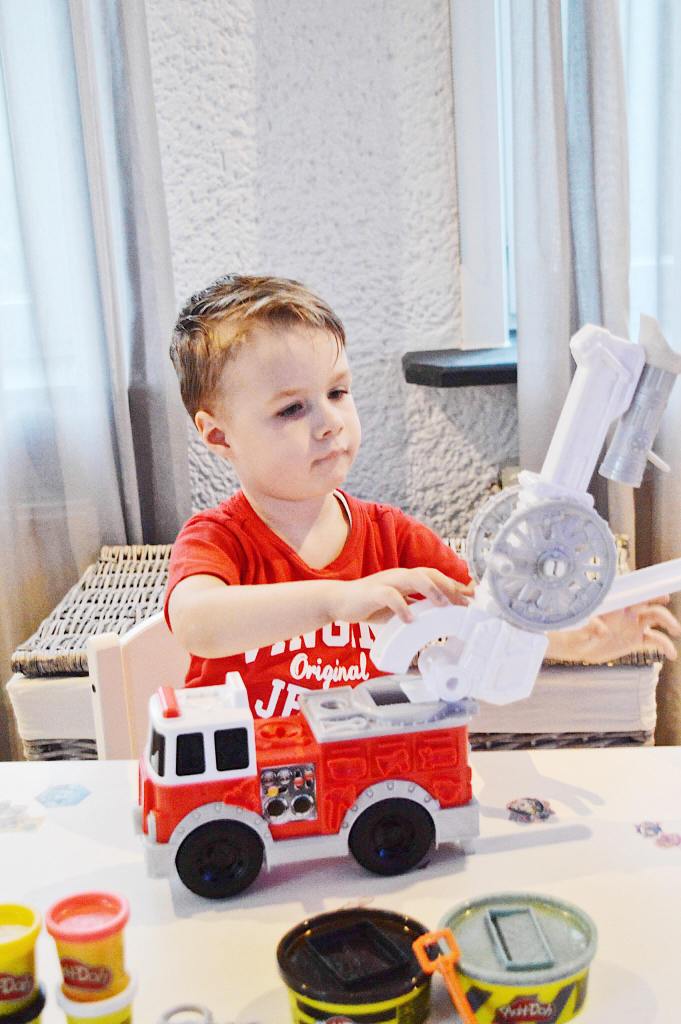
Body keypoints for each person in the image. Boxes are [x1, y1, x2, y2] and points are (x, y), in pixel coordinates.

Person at [165, 274, 680, 719]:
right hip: (248, 778)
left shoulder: (393, 538)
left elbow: (483, 620)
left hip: (364, 771)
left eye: (337, 392)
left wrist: (579, 639)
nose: (330, 422)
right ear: (219, 436)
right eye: (292, 409)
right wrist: (336, 600)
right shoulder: (217, 540)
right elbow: (196, 623)